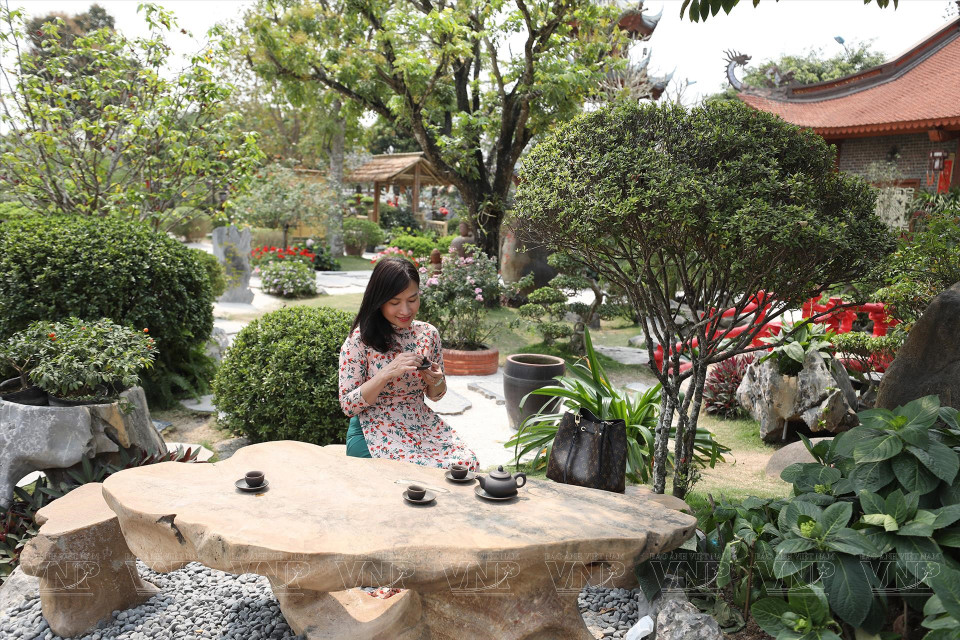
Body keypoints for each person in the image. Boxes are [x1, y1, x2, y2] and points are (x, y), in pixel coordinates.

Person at [338, 257, 480, 471]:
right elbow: (348, 405)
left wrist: (436, 381)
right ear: (379, 301)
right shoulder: (360, 340)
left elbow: (436, 395)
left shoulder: (428, 334)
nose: (405, 310)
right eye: (395, 302)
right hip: (375, 427)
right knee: (416, 473)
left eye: (412, 299)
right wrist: (386, 373)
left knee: (466, 464)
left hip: (421, 424)